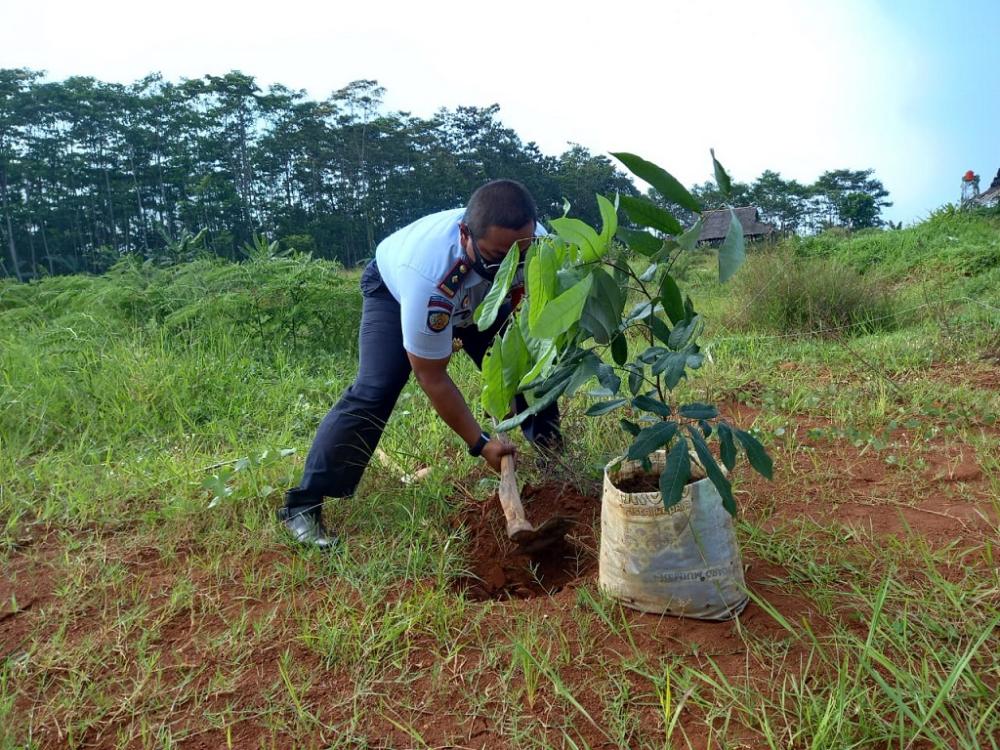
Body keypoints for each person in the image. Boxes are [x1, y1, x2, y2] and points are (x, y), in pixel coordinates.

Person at [278, 179, 562, 549]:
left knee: (528, 370)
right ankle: (303, 505)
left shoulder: (532, 242)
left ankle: (553, 459)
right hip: (394, 291)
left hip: (480, 301)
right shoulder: (429, 277)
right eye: (497, 256)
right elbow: (432, 375)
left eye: (519, 257)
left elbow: (530, 303)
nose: (510, 266)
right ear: (465, 235)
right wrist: (481, 444)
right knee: (376, 388)